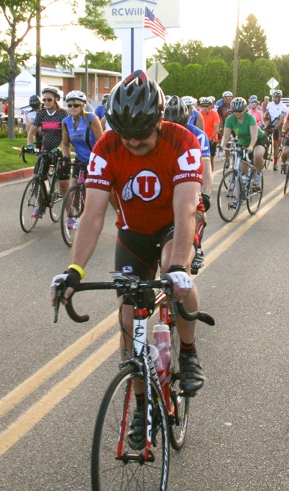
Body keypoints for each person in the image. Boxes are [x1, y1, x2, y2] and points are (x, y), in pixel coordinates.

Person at [49, 71, 205, 450]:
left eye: (142, 135)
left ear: (158, 121)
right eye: (126, 135)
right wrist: (74, 270)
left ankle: (188, 353)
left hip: (173, 227)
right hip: (133, 233)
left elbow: (186, 210)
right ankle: (141, 407)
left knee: (175, 273)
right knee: (127, 319)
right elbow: (92, 216)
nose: (133, 142)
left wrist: (179, 267)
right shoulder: (106, 147)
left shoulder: (182, 141)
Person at [163, 95, 212, 273]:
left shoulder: (198, 135)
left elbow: (206, 170)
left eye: (179, 125)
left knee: (198, 210)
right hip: (166, 179)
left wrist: (205, 193)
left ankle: (197, 247)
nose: (175, 129)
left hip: (190, 178)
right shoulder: (157, 131)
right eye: (170, 125)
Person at [60, 89, 105, 232]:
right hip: (79, 160)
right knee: (74, 189)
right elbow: (65, 144)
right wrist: (65, 157)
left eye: (76, 105)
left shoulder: (92, 119)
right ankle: (77, 215)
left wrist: (97, 161)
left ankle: (95, 216)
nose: (72, 108)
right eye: (70, 105)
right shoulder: (66, 122)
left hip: (94, 159)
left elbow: (101, 142)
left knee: (93, 191)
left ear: (83, 105)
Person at [26, 86, 70, 214]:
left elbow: (66, 135)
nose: (46, 102)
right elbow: (31, 133)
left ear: (56, 99)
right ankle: (42, 205)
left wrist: (60, 148)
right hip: (45, 150)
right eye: (44, 100)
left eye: (49, 100)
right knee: (36, 179)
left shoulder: (63, 113)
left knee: (63, 184)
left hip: (60, 151)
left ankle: (71, 214)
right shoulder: (41, 114)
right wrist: (30, 146)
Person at [220, 96, 266, 186]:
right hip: (243, 142)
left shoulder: (250, 118)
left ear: (245, 109)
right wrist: (222, 145)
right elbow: (226, 136)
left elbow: (254, 137)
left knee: (257, 155)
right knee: (242, 170)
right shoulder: (230, 119)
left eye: (240, 111)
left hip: (258, 139)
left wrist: (251, 147)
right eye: (235, 111)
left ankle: (258, 175)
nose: (237, 113)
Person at [262, 89, 287, 170]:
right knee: (263, 136)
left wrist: (275, 127)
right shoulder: (269, 104)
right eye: (274, 97)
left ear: (280, 97)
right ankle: (265, 150)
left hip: (278, 125)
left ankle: (275, 163)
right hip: (270, 124)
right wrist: (265, 122)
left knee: (276, 145)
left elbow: (281, 119)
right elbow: (266, 115)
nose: (275, 99)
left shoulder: (283, 106)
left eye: (277, 97)